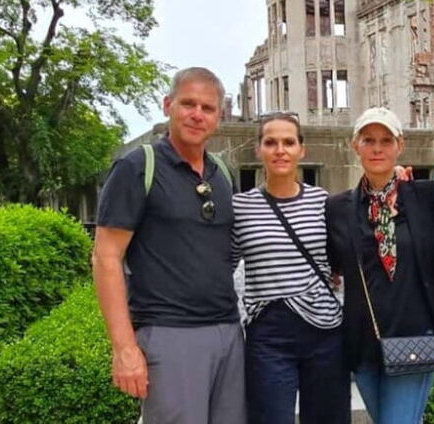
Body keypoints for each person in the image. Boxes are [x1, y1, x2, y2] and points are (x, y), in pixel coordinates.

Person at [92, 67, 245, 424]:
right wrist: (124, 348)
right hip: (170, 334)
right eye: (187, 103)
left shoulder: (222, 172)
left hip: (228, 331)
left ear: (219, 117)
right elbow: (106, 257)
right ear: (167, 105)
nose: (197, 114)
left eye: (207, 108)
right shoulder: (137, 168)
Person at [325, 107, 434, 424]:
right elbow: (333, 265)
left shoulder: (425, 198)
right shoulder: (338, 207)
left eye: (386, 140)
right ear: (355, 145)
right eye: (369, 140)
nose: (377, 148)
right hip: (363, 341)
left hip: (413, 335)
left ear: (400, 145)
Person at [232, 111, 350, 424]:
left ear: (302, 149)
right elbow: (221, 265)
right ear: (258, 149)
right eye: (271, 142)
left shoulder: (324, 202)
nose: (280, 150)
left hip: (325, 331)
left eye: (288, 142)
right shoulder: (240, 208)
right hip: (269, 334)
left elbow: (341, 257)